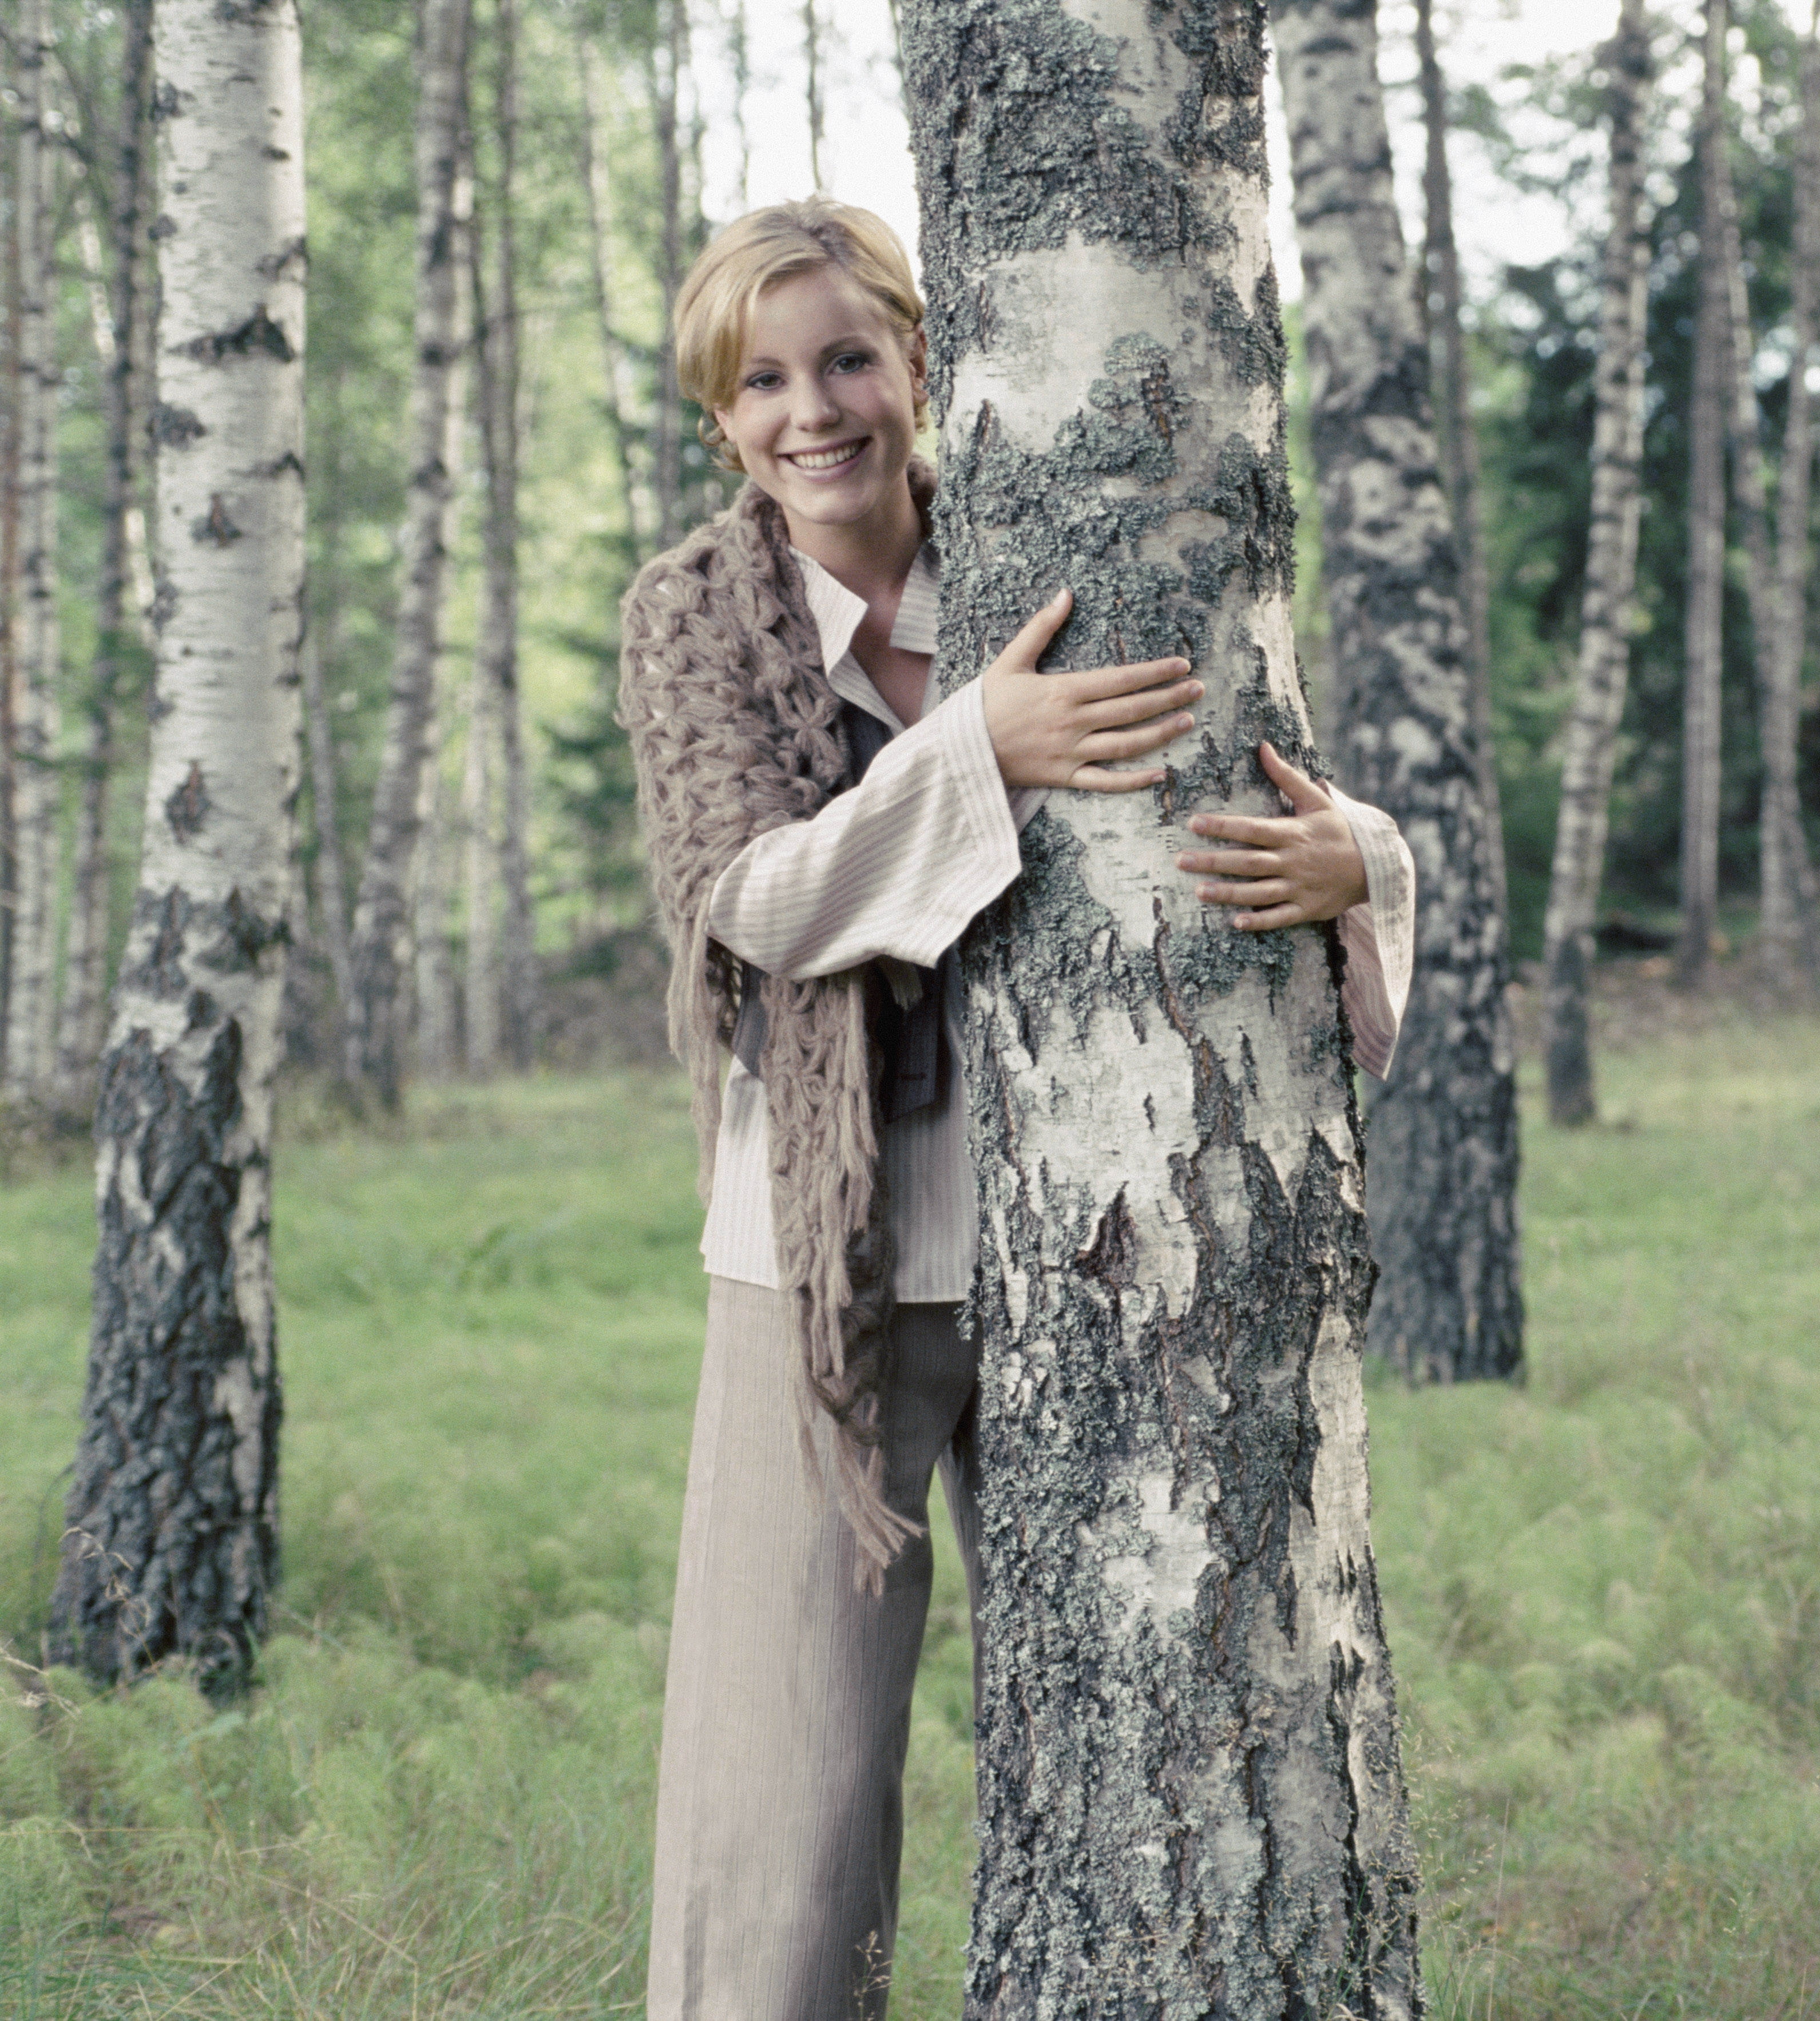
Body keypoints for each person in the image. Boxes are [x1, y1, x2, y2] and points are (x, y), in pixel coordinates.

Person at [614, 198, 1417, 2020]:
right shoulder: (696, 615)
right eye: (761, 380)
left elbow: (1286, 783)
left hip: (1104, 1240)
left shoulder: (1044, 550)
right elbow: (747, 897)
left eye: (846, 358)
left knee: (1138, 1736)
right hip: (825, 1263)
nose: (812, 410)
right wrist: (972, 753)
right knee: (783, 1781)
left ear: (920, 357)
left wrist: (1351, 858)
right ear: (720, 415)